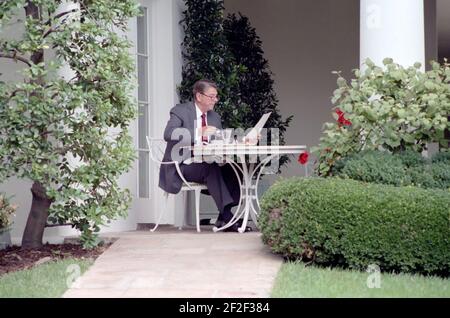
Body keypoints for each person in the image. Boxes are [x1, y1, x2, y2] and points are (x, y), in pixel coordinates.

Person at [159, 79, 247, 232]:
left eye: (216, 97)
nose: (215, 100)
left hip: (205, 161)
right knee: (210, 167)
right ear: (199, 96)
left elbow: (220, 140)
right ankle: (228, 218)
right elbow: (168, 134)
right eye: (212, 96)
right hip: (181, 164)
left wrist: (241, 141)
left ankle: (223, 216)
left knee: (235, 168)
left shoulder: (214, 117)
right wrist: (198, 132)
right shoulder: (180, 111)